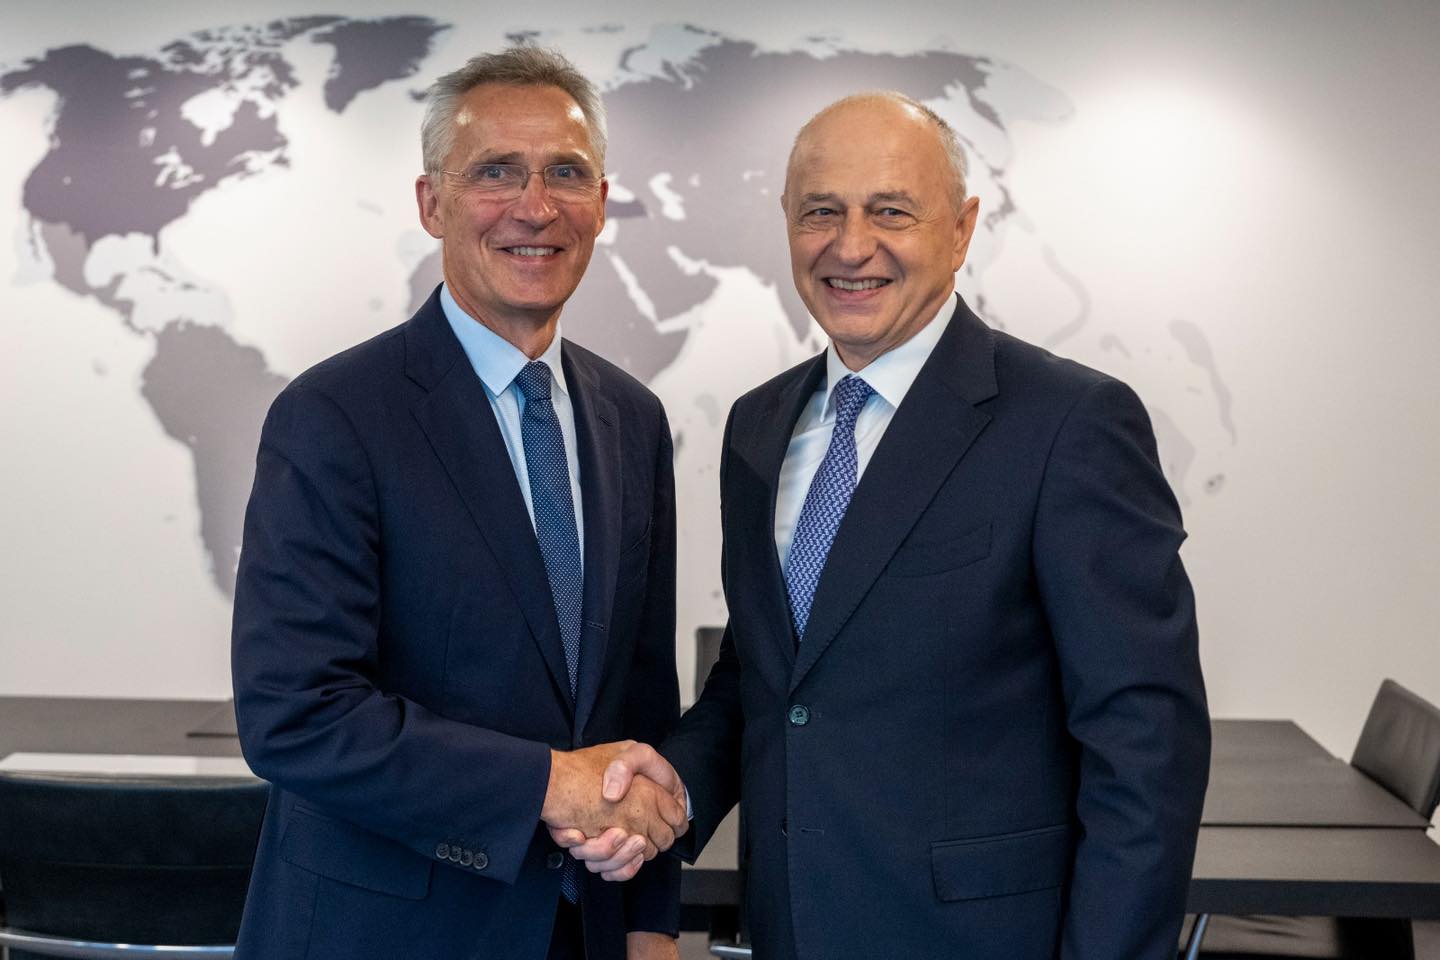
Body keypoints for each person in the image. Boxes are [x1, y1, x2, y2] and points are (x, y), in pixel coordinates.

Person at [563, 92, 1211, 959]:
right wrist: (677, 784)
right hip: (791, 931)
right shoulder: (759, 426)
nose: (851, 245)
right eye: (820, 212)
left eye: (891, 211)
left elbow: (1147, 746)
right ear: (788, 222)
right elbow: (768, 677)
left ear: (962, 229)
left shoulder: (1069, 424)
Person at [230, 47, 685, 960]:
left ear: (601, 202)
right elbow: (296, 713)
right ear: (431, 202)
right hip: (385, 935)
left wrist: (650, 924)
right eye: (495, 172)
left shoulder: (632, 420)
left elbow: (641, 700)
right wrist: (546, 784)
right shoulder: (334, 415)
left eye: (566, 174)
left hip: (583, 933)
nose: (535, 207)